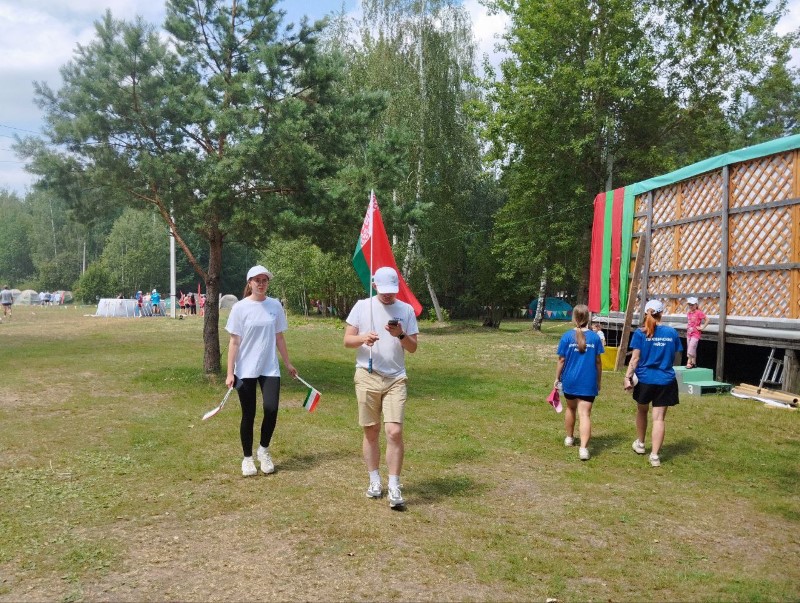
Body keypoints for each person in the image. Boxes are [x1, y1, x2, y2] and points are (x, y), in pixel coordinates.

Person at [343, 266, 419, 509]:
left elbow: (413, 348)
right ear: (374, 286)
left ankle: (394, 485)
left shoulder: (406, 310)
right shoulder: (362, 306)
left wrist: (400, 334)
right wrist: (363, 338)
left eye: (392, 291)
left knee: (394, 431)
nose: (388, 295)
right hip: (367, 375)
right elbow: (347, 341)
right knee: (371, 431)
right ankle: (374, 480)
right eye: (383, 290)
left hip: (396, 378)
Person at [225, 265, 297, 477]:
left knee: (271, 409)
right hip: (245, 369)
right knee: (249, 414)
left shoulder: (274, 305)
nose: (261, 284)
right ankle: (247, 458)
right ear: (250, 283)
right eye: (257, 280)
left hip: (269, 367)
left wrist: (288, 363)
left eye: (264, 280)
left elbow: (279, 337)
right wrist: (230, 372)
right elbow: (234, 342)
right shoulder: (239, 308)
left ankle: (263, 451)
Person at [624, 299, 683, 467]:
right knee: (659, 419)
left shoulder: (640, 333)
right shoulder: (672, 333)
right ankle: (655, 456)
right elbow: (677, 356)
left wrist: (627, 377)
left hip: (645, 380)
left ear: (646, 313)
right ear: (661, 313)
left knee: (642, 411)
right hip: (665, 380)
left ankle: (641, 444)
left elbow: (635, 358)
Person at [554, 304, 604, 461]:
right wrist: (598, 380)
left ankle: (569, 438)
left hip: (570, 380)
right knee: (585, 414)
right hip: (588, 381)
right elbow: (598, 362)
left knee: (570, 408)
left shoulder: (566, 336)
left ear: (574, 318)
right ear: (588, 318)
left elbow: (561, 360)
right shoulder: (595, 338)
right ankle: (583, 449)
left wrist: (557, 378)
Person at [685, 296, 709, 369]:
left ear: (696, 305)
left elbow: (707, 319)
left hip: (696, 333)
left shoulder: (699, 312)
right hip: (689, 333)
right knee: (692, 348)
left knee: (691, 347)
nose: (691, 306)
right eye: (689, 304)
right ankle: (694, 363)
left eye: (692, 304)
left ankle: (689, 362)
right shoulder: (689, 313)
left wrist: (702, 327)